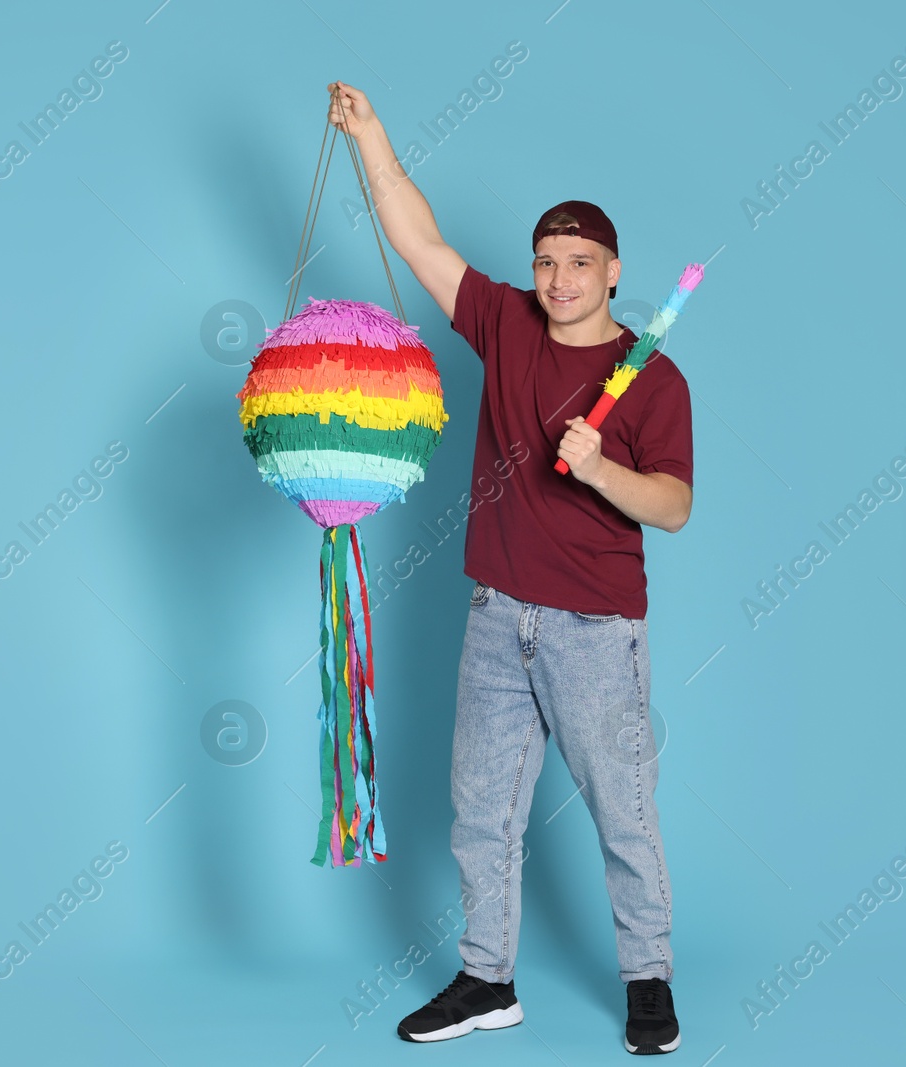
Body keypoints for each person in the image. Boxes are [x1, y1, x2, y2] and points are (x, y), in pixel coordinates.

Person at [326, 80, 693, 1057]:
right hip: (497, 617)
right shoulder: (504, 323)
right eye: (545, 260)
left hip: (595, 630)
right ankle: (486, 978)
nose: (558, 277)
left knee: (624, 810)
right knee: (479, 810)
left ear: (612, 271)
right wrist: (372, 138)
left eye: (578, 262)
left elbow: (676, 506)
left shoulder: (654, 380)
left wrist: (603, 469)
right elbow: (419, 240)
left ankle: (647, 980)